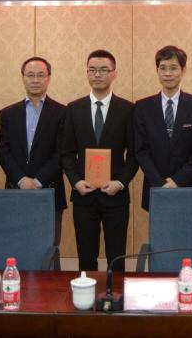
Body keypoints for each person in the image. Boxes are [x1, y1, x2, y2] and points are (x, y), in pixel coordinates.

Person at [61, 50, 138, 271]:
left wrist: (120, 183)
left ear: (114, 74)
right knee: (86, 258)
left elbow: (134, 154)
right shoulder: (74, 108)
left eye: (104, 70)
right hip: (84, 195)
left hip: (115, 195)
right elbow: (66, 153)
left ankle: (117, 293)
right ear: (87, 73)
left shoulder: (128, 109)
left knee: (117, 257)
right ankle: (87, 293)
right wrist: (76, 181)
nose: (97, 75)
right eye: (93, 70)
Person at [0, 57, 67, 244]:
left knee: (49, 248)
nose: (35, 80)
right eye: (30, 75)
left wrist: (38, 181)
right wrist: (21, 179)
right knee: (14, 246)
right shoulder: (7, 113)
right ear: (23, 78)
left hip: (49, 191)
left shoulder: (63, 112)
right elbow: (3, 151)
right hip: (15, 190)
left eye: (40, 75)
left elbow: (62, 152)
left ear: (48, 78)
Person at [134, 45, 192, 211]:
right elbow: (141, 150)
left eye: (173, 68)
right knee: (159, 229)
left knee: (191, 228)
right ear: (157, 70)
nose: (168, 73)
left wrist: (177, 181)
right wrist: (160, 183)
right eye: (163, 68)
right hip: (156, 188)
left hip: (189, 187)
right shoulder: (142, 107)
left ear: (183, 70)